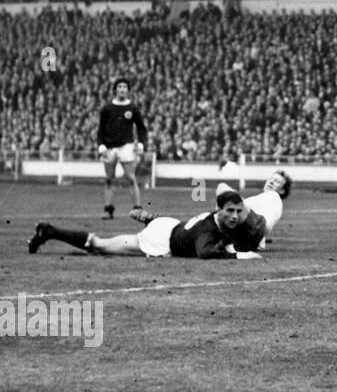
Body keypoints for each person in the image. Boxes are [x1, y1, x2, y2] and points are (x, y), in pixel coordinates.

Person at [29, 188, 264, 259]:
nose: (234, 216)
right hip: (159, 240)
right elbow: (204, 253)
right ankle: (50, 231)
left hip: (169, 226)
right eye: (230, 211)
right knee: (100, 246)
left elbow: (222, 239)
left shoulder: (216, 220)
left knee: (100, 244)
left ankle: (49, 232)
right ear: (219, 209)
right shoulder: (209, 228)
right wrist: (240, 256)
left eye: (238, 211)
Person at [96, 78, 148, 220]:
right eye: (120, 86)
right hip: (109, 147)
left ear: (128, 90)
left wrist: (142, 143)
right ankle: (108, 209)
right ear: (115, 89)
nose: (122, 89)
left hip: (127, 146)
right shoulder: (107, 108)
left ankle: (137, 209)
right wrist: (100, 144)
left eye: (125, 86)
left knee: (130, 178)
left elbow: (141, 128)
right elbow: (100, 129)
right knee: (109, 179)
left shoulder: (132, 108)